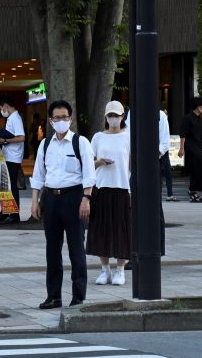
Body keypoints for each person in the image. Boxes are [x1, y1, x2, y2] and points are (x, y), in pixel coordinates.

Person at [30, 100, 96, 309]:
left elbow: (89, 174)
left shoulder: (80, 142)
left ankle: (78, 296)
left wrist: (86, 199)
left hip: (74, 197)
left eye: (65, 117)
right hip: (51, 199)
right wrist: (35, 201)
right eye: (57, 118)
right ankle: (54, 296)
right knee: (52, 249)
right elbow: (38, 174)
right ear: (51, 120)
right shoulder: (46, 144)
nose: (61, 121)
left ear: (71, 118)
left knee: (76, 248)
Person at [86, 101, 131, 286]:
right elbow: (89, 162)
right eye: (110, 115)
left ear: (122, 117)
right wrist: (99, 162)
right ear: (106, 117)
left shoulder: (128, 137)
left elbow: (131, 165)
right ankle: (104, 269)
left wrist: (132, 188)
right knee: (101, 229)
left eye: (117, 115)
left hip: (122, 187)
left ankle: (120, 270)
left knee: (122, 229)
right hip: (102, 187)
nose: (114, 119)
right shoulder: (98, 137)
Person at [0, 95, 25, 224]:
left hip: (13, 157)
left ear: (5, 105)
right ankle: (5, 212)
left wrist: (5, 140)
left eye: (0, 108)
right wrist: (0, 131)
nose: (1, 111)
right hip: (8, 156)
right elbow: (12, 134)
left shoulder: (15, 118)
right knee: (5, 186)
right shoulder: (11, 118)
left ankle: (14, 214)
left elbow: (21, 137)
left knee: (11, 186)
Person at [178, 97, 202, 203]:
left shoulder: (199, 118)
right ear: (197, 106)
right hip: (191, 148)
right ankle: (194, 192)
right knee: (195, 169)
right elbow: (183, 134)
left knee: (199, 168)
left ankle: (194, 191)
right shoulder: (188, 118)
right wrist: (181, 148)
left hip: (198, 147)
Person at [158, 109, 176, 201]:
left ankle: (170, 193)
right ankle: (169, 193)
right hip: (162, 151)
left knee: (167, 173)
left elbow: (165, 139)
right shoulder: (162, 118)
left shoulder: (162, 117)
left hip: (163, 152)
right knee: (166, 173)